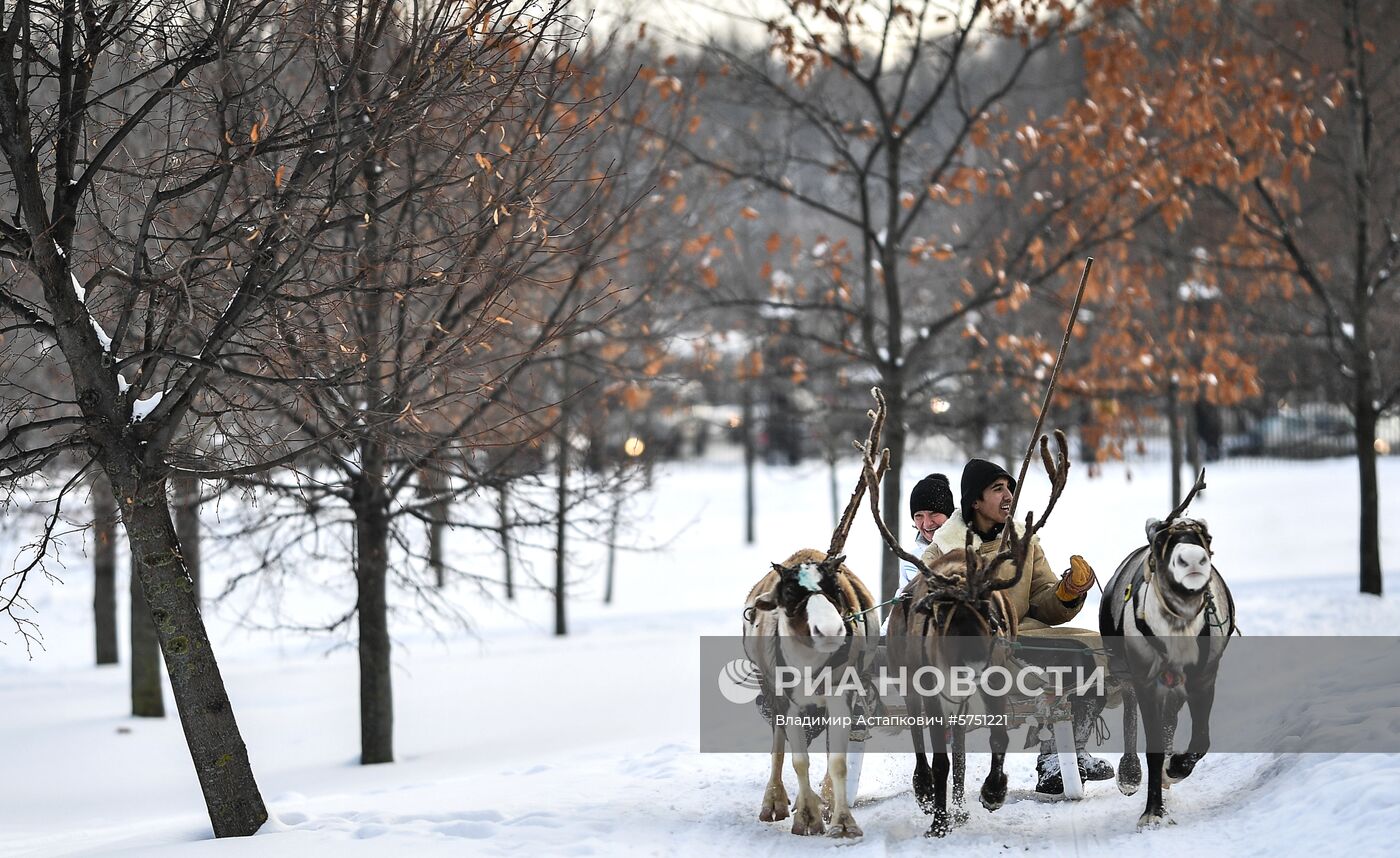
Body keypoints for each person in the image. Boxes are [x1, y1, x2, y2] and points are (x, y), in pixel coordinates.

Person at [919, 458, 1111, 794]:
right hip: (975, 651)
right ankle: (1053, 757)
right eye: (998, 489)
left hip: (1027, 632)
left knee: (1101, 649)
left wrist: (1068, 591)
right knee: (1074, 660)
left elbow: (1043, 601)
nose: (1008, 495)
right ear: (974, 502)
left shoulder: (1025, 541)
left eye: (1010, 488)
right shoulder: (942, 551)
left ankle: (1072, 751)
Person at [900, 473, 954, 589]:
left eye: (934, 513)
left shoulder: (970, 549)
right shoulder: (911, 561)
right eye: (919, 516)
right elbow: (902, 603)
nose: (927, 523)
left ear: (949, 515)